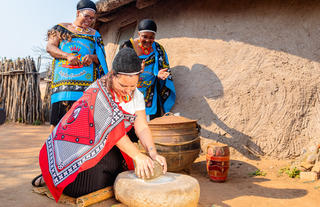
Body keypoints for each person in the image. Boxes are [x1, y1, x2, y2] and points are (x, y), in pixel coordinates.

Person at [32, 48, 167, 202]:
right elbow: (113, 130)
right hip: (78, 145)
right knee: (86, 187)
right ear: (113, 76)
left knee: (120, 173)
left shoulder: (137, 95)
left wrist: (153, 153)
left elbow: (142, 126)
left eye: (133, 86)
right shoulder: (98, 92)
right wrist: (137, 155)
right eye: (124, 86)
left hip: (105, 145)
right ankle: (49, 175)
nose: (128, 92)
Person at [47, 0, 108, 133]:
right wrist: (67, 55)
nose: (89, 20)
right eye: (86, 16)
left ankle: (78, 153)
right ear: (78, 13)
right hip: (63, 84)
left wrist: (92, 58)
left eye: (92, 18)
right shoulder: (60, 28)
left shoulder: (95, 35)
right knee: (57, 123)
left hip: (86, 87)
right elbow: (50, 47)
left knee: (83, 124)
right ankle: (52, 151)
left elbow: (102, 59)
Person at [121, 19, 175, 120]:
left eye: (151, 37)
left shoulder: (158, 48)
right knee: (131, 123)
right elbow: (120, 70)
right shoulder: (127, 47)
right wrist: (135, 71)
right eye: (144, 36)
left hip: (150, 93)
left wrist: (159, 74)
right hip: (130, 90)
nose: (148, 40)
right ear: (138, 34)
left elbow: (164, 66)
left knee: (151, 125)